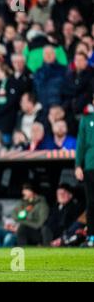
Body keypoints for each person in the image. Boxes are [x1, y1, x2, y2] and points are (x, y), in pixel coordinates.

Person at [76, 94, 94, 247]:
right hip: (90, 166)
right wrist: (77, 165)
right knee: (91, 203)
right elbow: (81, 144)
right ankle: (91, 236)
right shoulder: (87, 119)